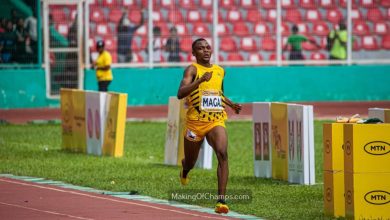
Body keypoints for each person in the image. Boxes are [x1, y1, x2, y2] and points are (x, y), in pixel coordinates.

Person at [176, 38, 242, 214]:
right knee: (191, 161)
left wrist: (231, 104)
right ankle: (185, 170)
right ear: (194, 53)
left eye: (207, 47)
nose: (205, 51)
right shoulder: (192, 69)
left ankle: (221, 201)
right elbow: (180, 93)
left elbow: (217, 93)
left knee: (222, 153)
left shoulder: (220, 71)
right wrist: (199, 80)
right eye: (200, 48)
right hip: (195, 124)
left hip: (215, 120)